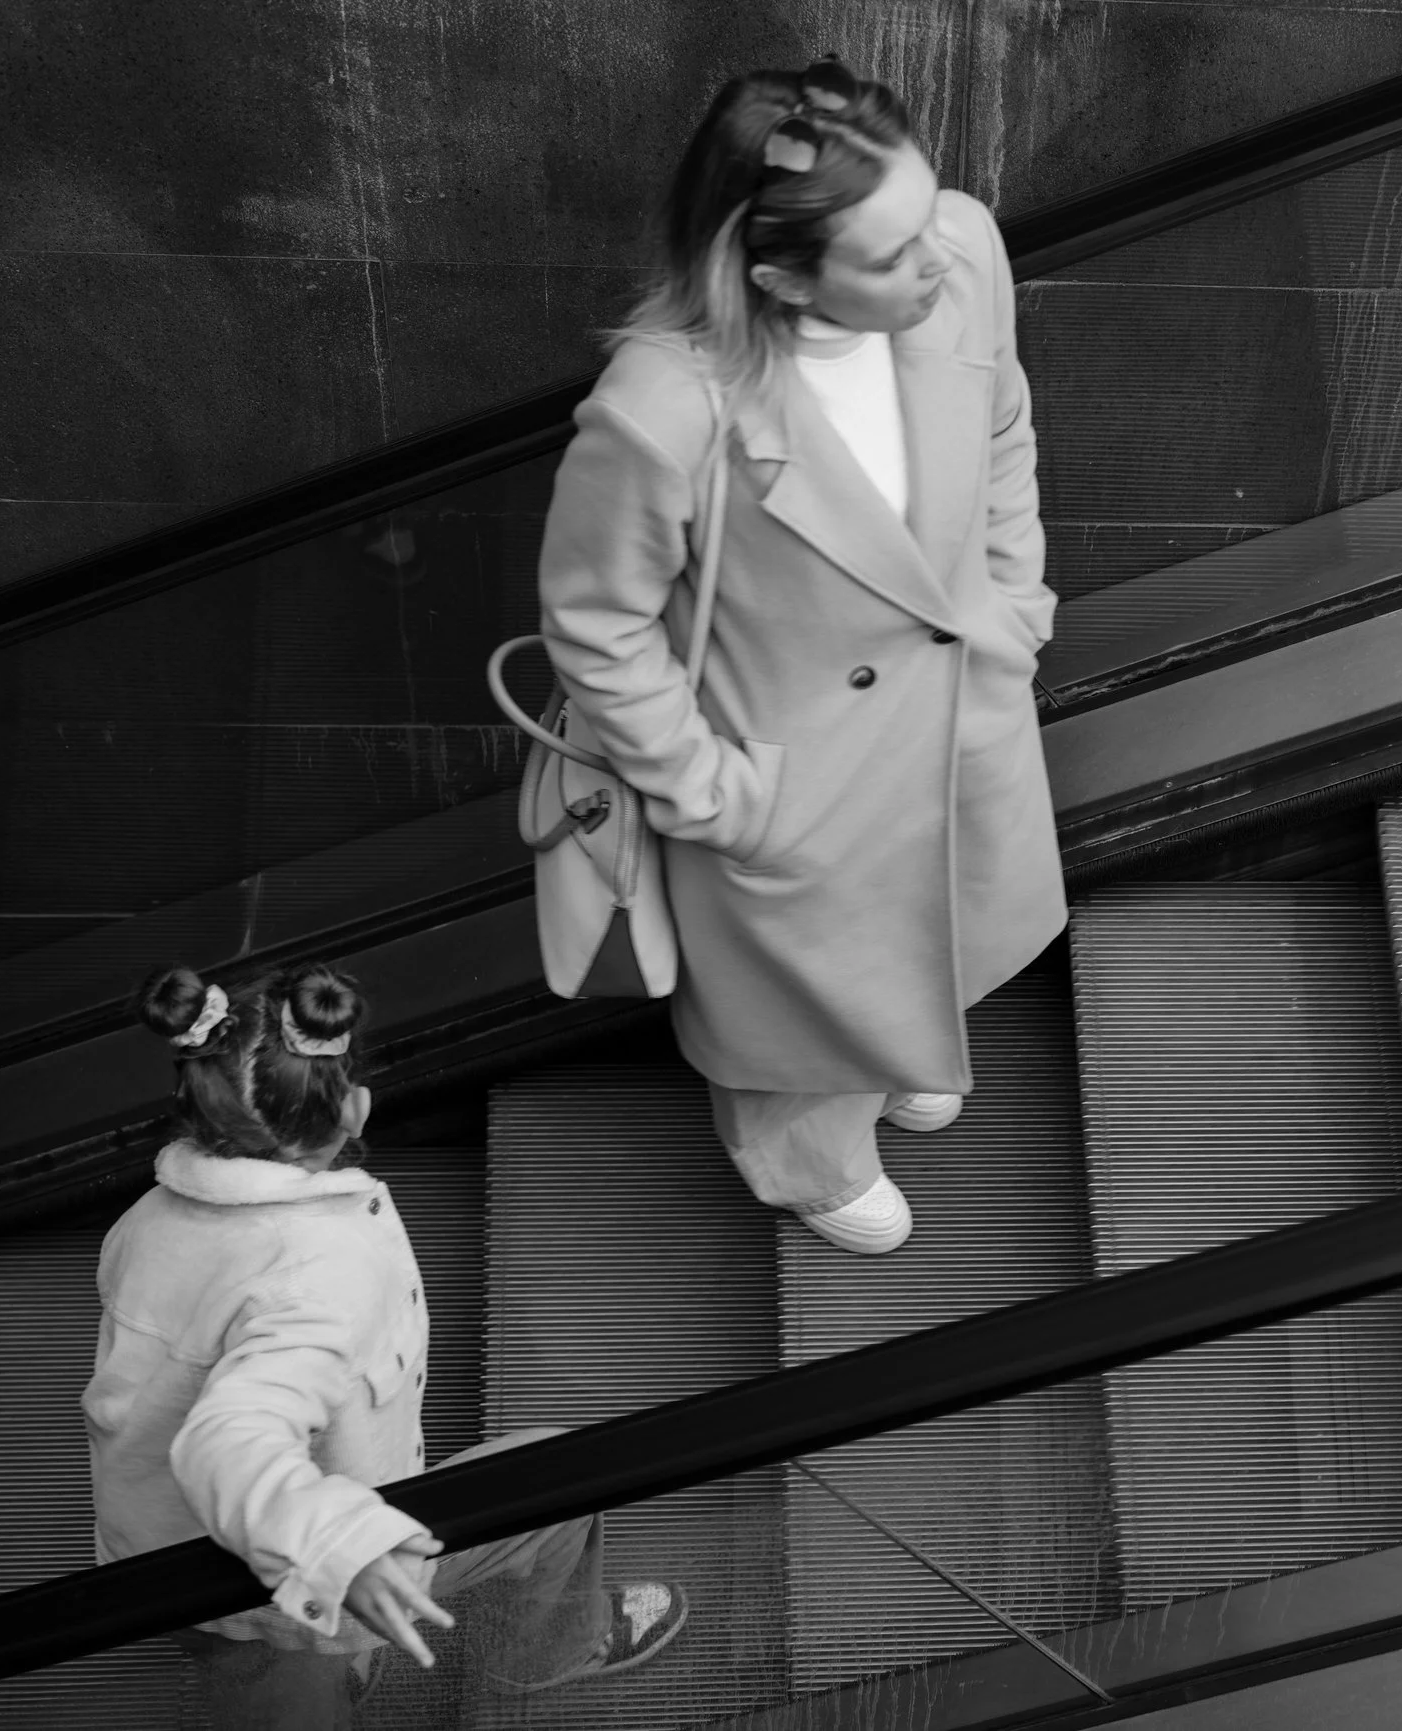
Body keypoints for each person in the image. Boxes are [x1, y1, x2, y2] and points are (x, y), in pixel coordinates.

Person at [535, 57, 1066, 1254]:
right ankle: (805, 1163)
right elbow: (596, 625)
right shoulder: (663, 411)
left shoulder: (963, 252)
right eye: (890, 254)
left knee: (946, 918)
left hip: (958, 709)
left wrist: (1013, 606)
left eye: (925, 216)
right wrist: (712, 795)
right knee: (793, 1017)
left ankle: (905, 1049)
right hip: (794, 774)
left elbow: (1003, 425)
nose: (934, 260)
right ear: (780, 277)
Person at [88, 963, 688, 1728]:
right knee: (561, 1490)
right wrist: (347, 1546)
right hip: (285, 1588)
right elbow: (229, 1437)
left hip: (157, 1552)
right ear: (348, 1106)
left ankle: (338, 1670)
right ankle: (543, 1651)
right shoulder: (315, 1276)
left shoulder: (146, 1218)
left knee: (258, 1674)